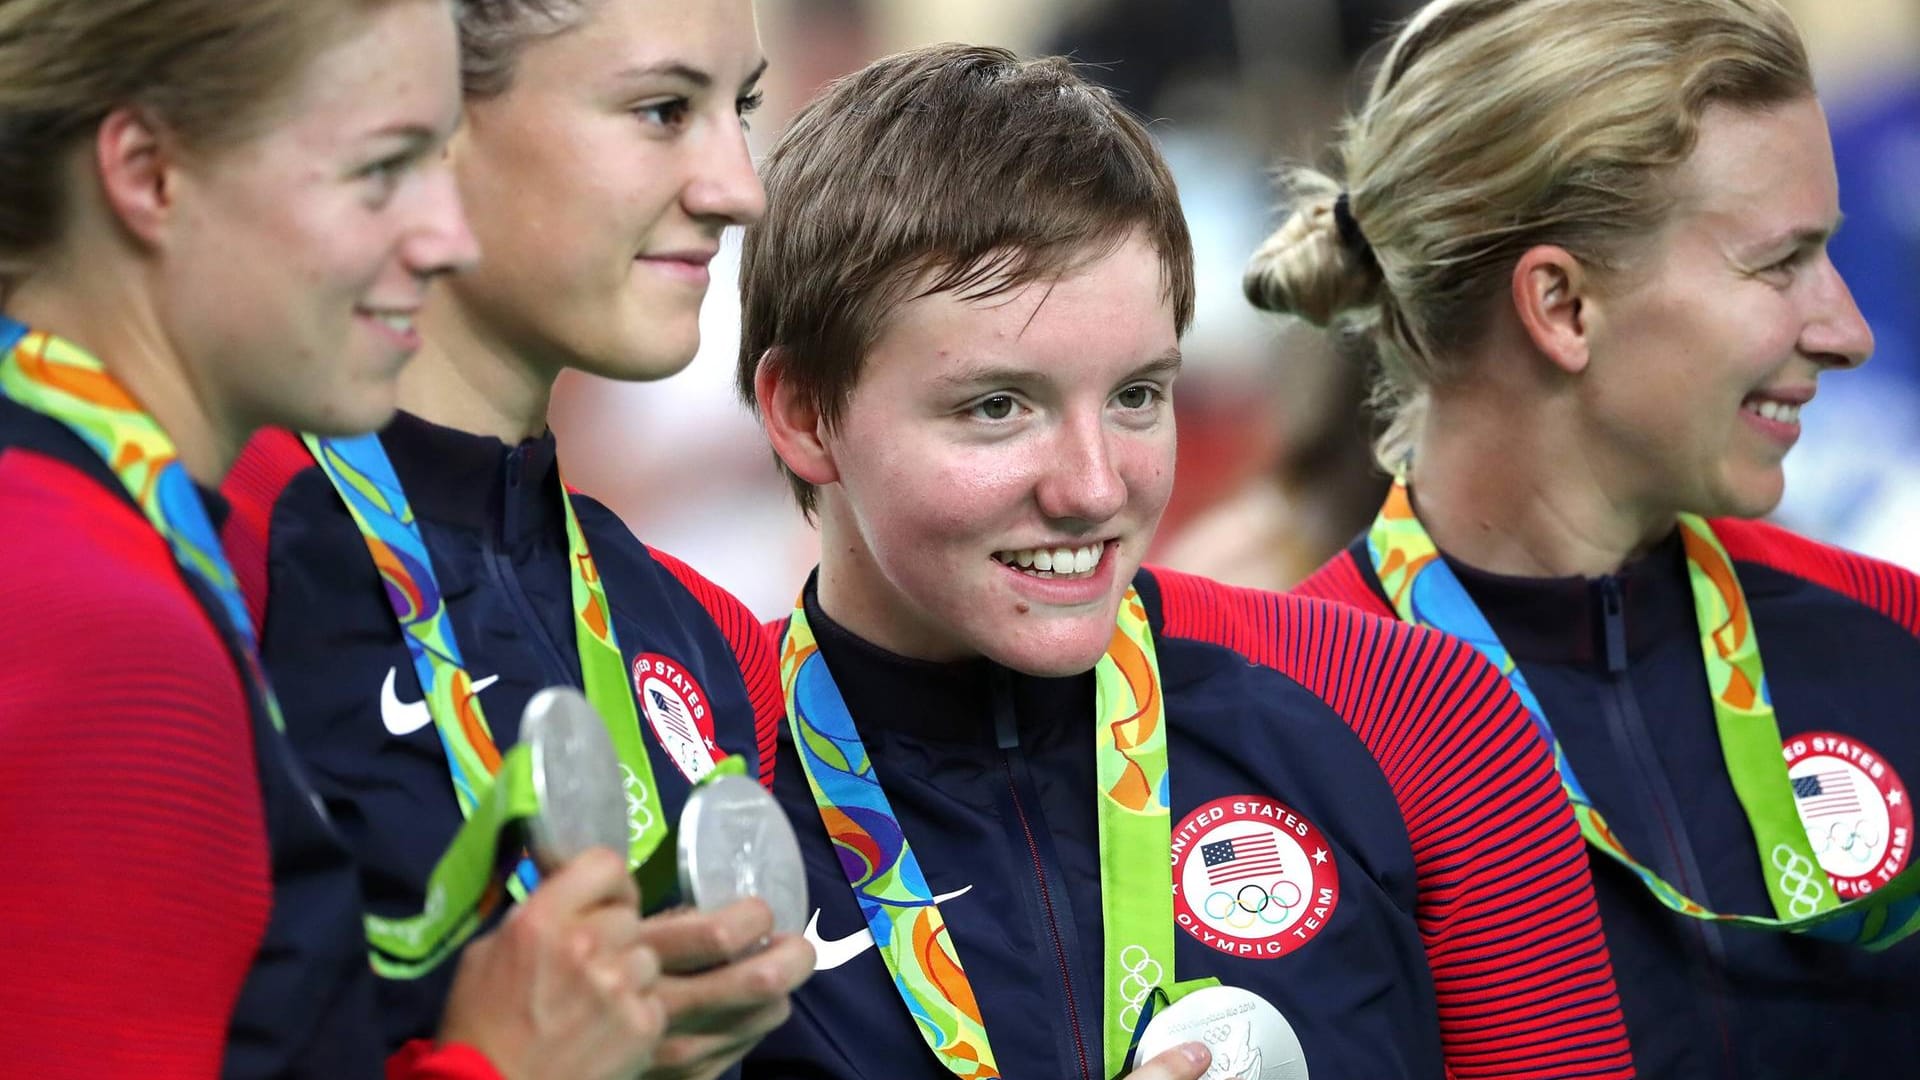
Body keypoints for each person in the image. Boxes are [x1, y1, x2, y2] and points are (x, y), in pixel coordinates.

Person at [736, 44, 1633, 1080]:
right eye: (997, 407)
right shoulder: (690, 781)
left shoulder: (1414, 708)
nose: (1094, 487)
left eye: (1136, 396)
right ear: (805, 415)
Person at [0, 1, 673, 1077]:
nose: (446, 238)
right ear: (149, 173)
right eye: (382, 169)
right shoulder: (93, 614)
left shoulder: (76, 529)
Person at [1254, 0, 1920, 1074]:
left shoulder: (1894, 637)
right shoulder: (1276, 730)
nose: (1846, 329)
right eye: (1780, 263)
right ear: (1562, 306)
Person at [220, 0, 814, 1076]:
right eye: (663, 108)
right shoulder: (222, 543)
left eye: (745, 108)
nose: (740, 188)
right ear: (429, 110)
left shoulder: (695, 628)